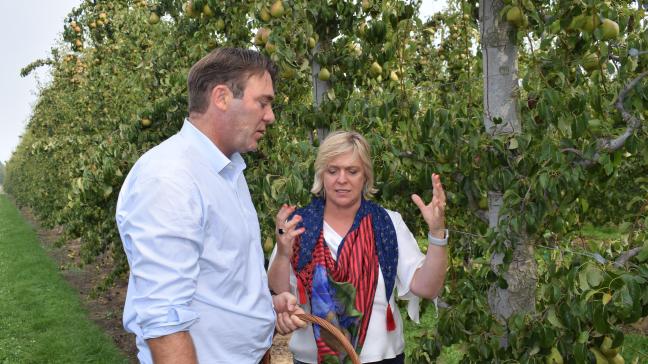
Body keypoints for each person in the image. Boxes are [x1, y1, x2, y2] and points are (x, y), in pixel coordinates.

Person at [115, 47, 305, 364]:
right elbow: (164, 321)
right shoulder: (171, 178)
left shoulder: (228, 171)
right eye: (263, 102)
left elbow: (219, 278)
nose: (270, 115)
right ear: (221, 97)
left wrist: (262, 307)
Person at [267, 131, 448, 364]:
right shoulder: (299, 225)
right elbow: (279, 293)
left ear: (365, 177)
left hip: (381, 359)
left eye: (352, 171)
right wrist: (283, 253)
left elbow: (427, 287)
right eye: (333, 171)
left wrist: (437, 233)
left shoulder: (386, 223)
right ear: (322, 175)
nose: (342, 179)